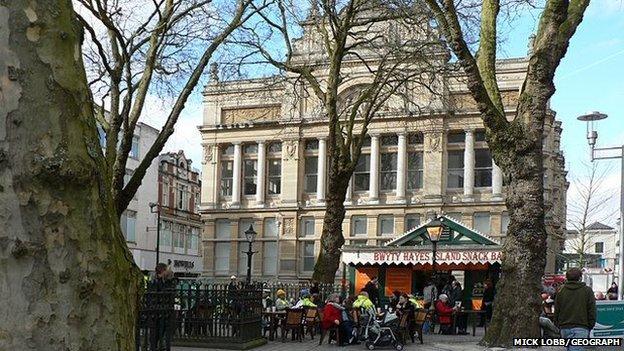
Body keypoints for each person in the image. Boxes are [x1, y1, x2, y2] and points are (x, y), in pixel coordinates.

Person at [554, 267, 596, 351]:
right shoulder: (587, 290)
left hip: (564, 327)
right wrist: (590, 325)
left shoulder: (561, 290)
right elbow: (592, 310)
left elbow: (557, 309)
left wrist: (558, 324)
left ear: (567, 277)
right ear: (580, 278)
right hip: (581, 326)